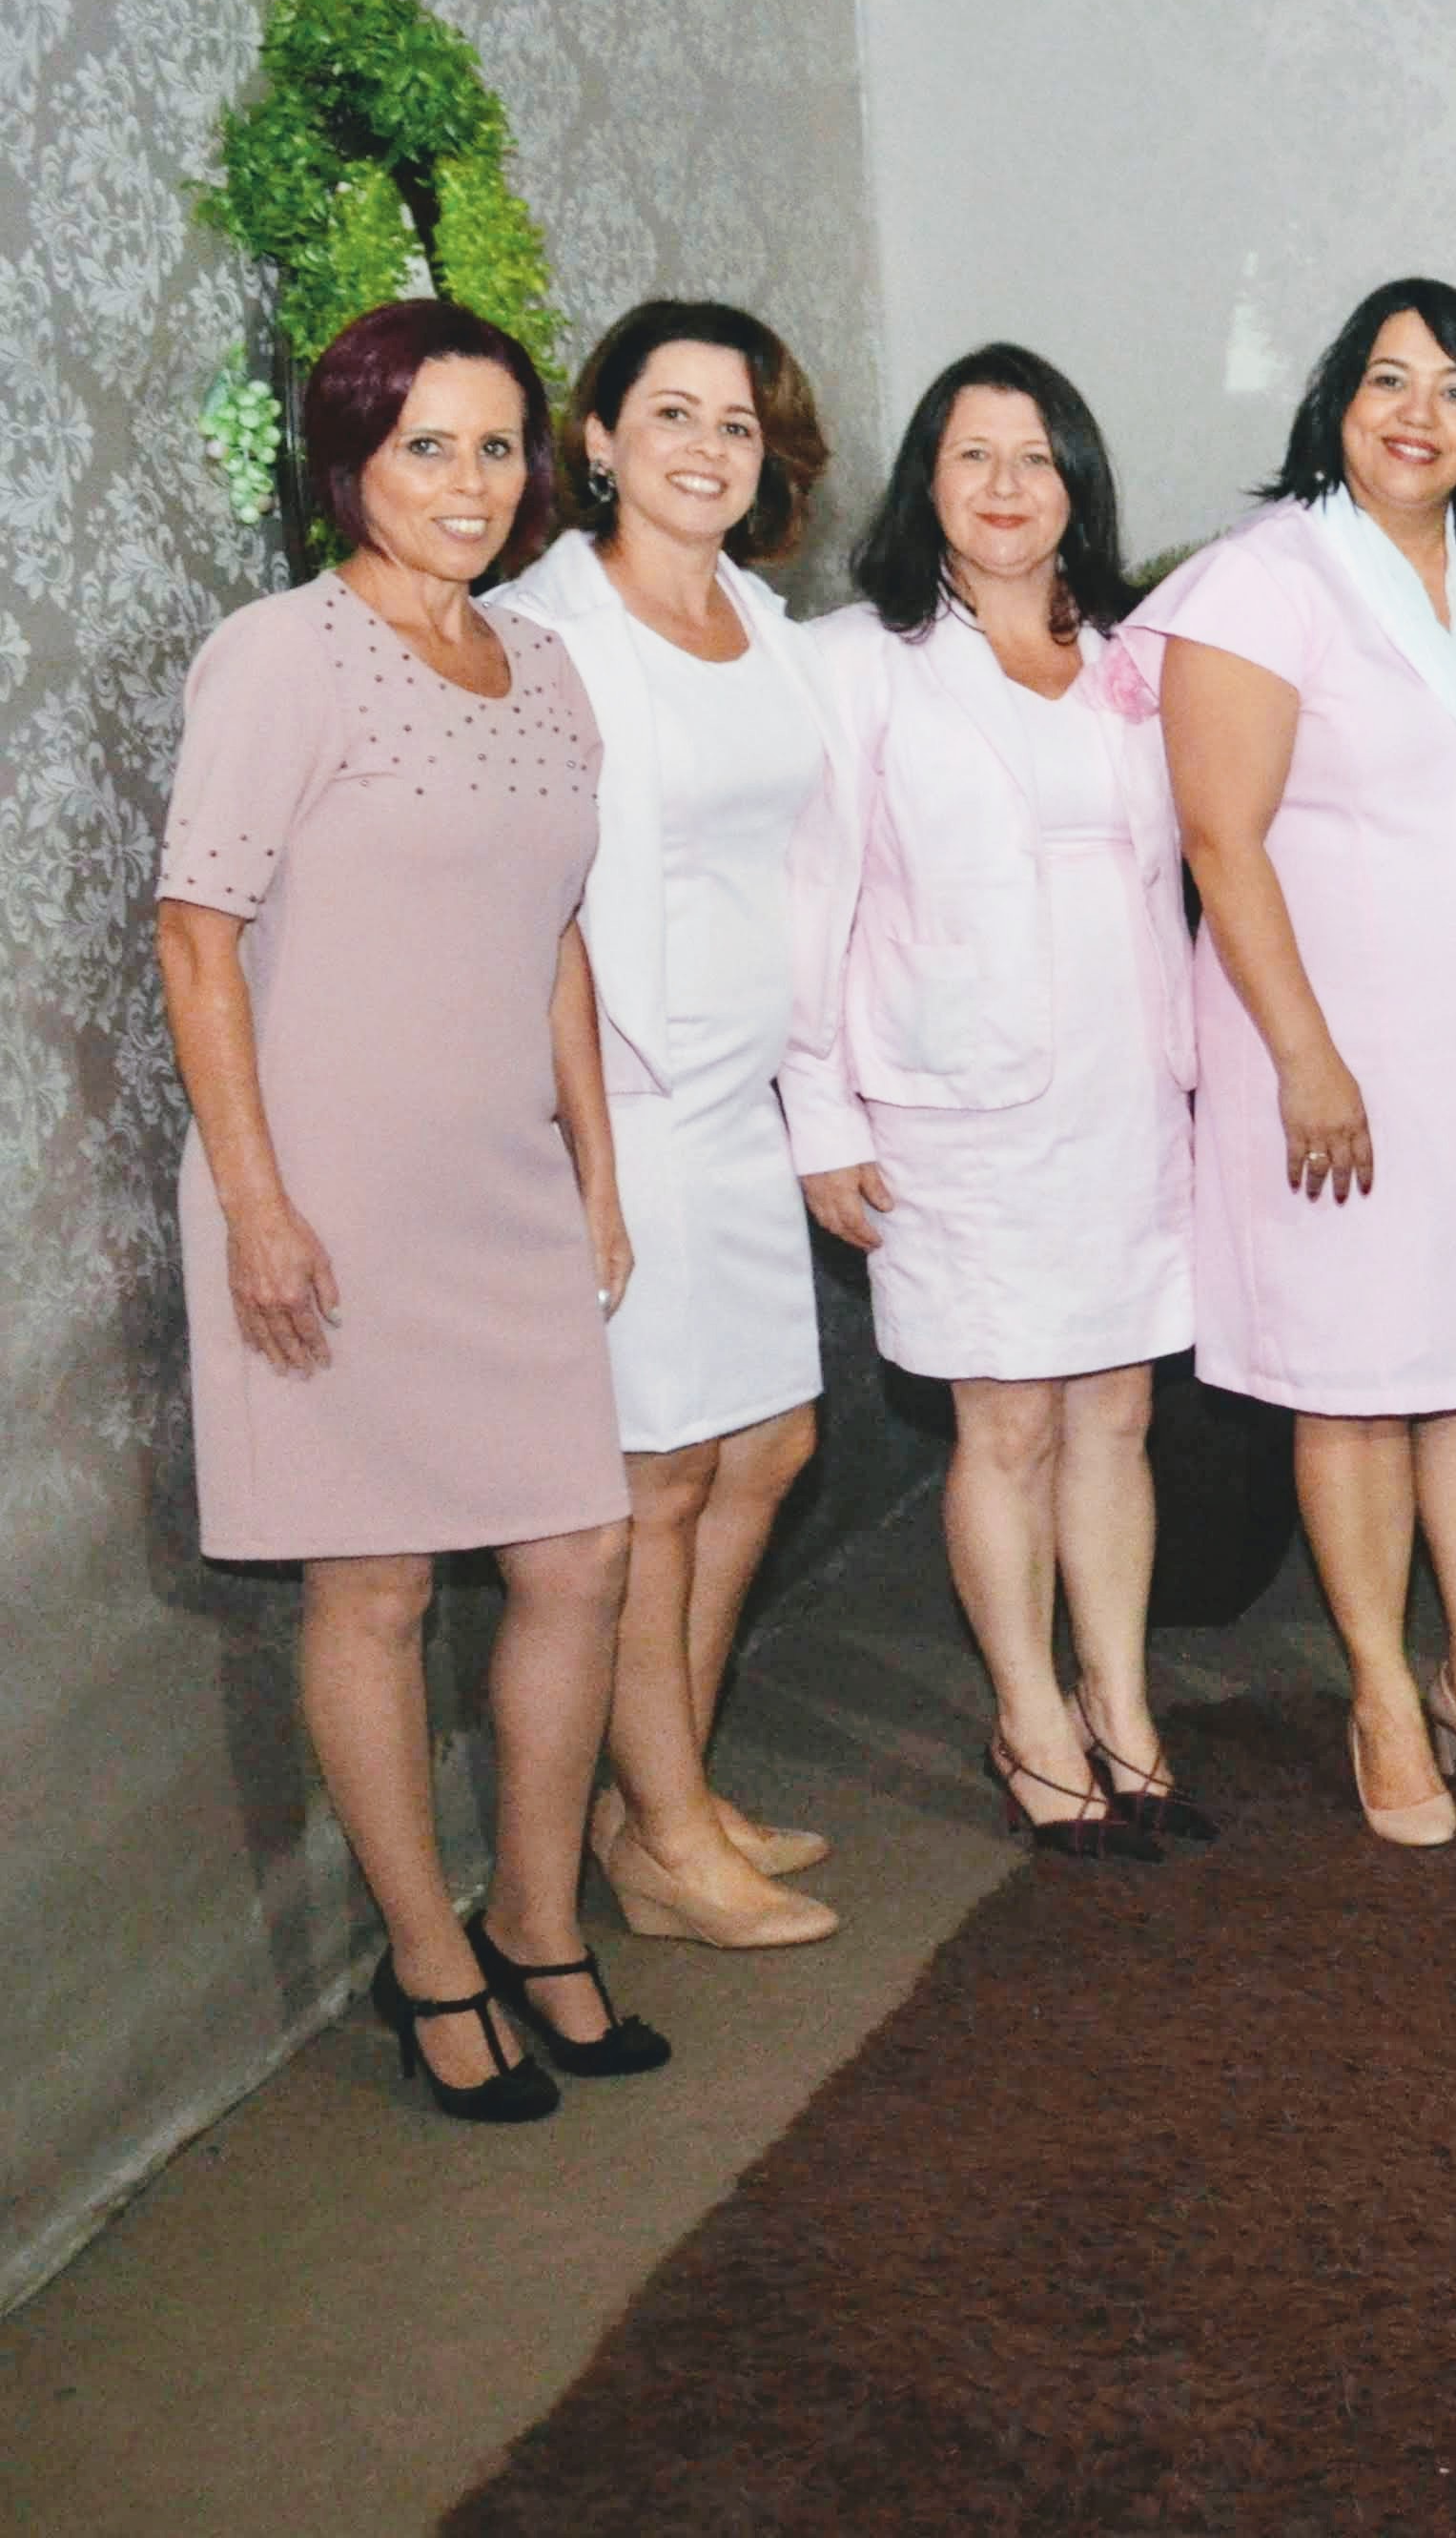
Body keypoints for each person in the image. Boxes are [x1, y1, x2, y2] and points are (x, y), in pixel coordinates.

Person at [159, 299, 657, 2117]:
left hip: (502, 1192)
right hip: (329, 1200)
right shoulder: (279, 656)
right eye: (424, 444)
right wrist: (256, 1202)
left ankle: (537, 1917)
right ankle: (428, 1960)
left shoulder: (548, 666)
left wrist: (594, 1167)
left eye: (497, 444)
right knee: (368, 1585)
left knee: (578, 1558)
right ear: (350, 461)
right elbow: (195, 933)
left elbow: (556, 939)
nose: (468, 480)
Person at [1133, 279, 1456, 1844]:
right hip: (1325, 1050)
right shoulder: (1266, 579)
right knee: (1353, 1385)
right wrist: (1307, 1059)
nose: (1419, 413)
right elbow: (1220, 838)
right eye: (1388, 379)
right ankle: (1384, 1698)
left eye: (1455, 388)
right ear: (1336, 400)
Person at [783, 347, 1198, 1860]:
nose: (1007, 486)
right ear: (927, 481)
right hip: (958, 1109)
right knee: (1006, 1421)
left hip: (1129, 1088)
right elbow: (808, 902)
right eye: (974, 455)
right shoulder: (858, 661)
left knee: (1118, 1412)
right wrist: (819, 1116)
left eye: (1037, 456)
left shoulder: (1141, 656)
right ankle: (1028, 1716)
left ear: (1078, 483)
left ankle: (1121, 1704)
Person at [488, 300, 846, 1952]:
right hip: (621, 1103)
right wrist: (579, 1143)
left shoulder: (763, 622)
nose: (709, 447)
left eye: (738, 423)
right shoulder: (543, 631)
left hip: (740, 1095)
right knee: (658, 1475)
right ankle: (673, 1838)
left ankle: (659, 1797)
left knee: (766, 1448)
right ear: (601, 439)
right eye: (673, 414)